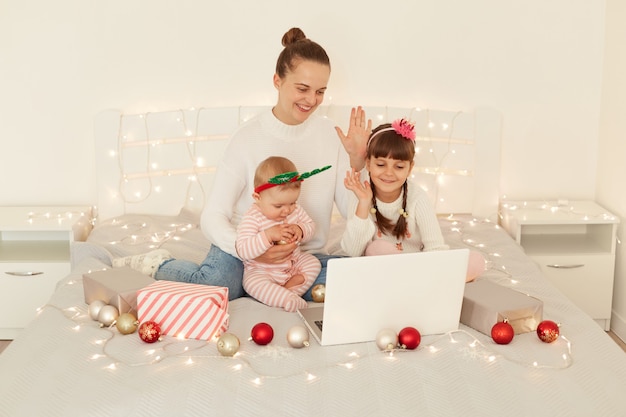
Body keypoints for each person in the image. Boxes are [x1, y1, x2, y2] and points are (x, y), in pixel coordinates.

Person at [113, 27, 371, 300]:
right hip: (244, 252)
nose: (312, 100)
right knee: (220, 284)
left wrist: (358, 164)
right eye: (302, 88)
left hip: (299, 258)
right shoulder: (247, 138)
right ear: (277, 81)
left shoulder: (331, 136)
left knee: (354, 278)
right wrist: (253, 248)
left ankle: (279, 288)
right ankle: (157, 264)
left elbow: (355, 216)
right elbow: (212, 216)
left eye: (320, 91)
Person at [341, 119, 484, 282]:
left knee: (476, 260)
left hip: (418, 267)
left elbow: (435, 247)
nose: (389, 173)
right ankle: (421, 281)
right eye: (381, 164)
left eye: (399, 167)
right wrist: (364, 203)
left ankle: (415, 280)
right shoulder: (360, 193)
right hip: (381, 268)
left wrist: (435, 266)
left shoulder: (418, 198)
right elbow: (352, 252)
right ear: (368, 163)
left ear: (410, 168)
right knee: (377, 248)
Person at [236, 156, 330, 312]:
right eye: (278, 205)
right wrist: (267, 235)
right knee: (252, 283)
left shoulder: (296, 211)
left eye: (292, 203)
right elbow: (244, 249)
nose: (287, 210)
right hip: (262, 270)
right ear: (258, 198)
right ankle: (286, 298)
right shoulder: (253, 217)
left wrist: (300, 230)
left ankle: (290, 292)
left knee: (313, 263)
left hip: (293, 263)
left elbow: (310, 226)